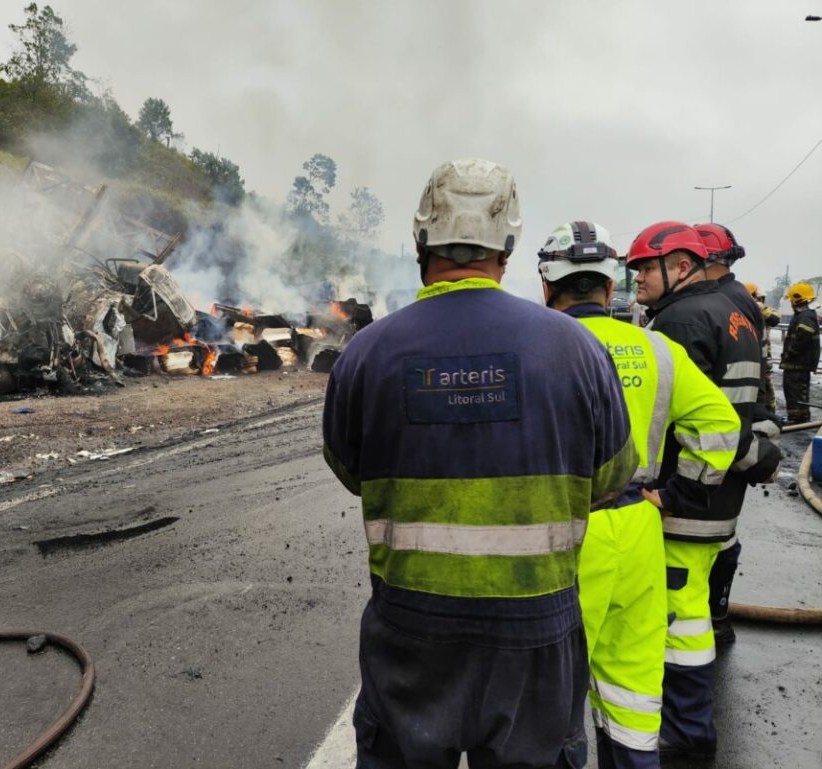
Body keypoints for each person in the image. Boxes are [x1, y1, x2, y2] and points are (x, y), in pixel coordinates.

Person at [322, 159, 638, 769]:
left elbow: (350, 468)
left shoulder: (367, 352)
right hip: (536, 630)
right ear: (509, 248)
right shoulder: (577, 348)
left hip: (411, 631)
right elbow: (609, 479)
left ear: (420, 243)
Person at [538, 221, 740, 769]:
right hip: (639, 529)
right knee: (631, 692)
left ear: (546, 285)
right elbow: (721, 424)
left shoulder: (534, 348)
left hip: (563, 535)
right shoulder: (659, 348)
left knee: (549, 696)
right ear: (610, 289)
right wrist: (675, 494)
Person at [626, 221, 779, 759]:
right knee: (691, 616)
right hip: (720, 500)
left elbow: (695, 423)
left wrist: (674, 497)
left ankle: (683, 735)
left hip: (687, 502)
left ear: (682, 267)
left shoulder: (682, 321)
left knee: (673, 623)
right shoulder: (736, 310)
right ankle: (690, 733)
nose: (637, 276)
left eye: (647, 266)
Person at [692, 224, 781, 646]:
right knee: (723, 534)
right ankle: (717, 618)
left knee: (715, 537)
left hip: (725, 437)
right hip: (741, 427)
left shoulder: (720, 303)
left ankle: (713, 620)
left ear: (704, 261)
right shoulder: (737, 299)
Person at [780, 282, 821, 424]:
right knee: (794, 390)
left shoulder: (805, 316)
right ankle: (797, 416)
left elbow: (802, 338)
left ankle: (798, 418)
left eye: (791, 300)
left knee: (795, 391)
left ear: (797, 299)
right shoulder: (805, 314)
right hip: (797, 363)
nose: (790, 302)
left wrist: (789, 353)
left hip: (798, 363)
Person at [744, 281, 781, 413]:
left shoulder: (767, 310)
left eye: (759, 299)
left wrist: (760, 308)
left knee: (766, 385)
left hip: (765, 355)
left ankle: (770, 411)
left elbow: (775, 320)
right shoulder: (740, 310)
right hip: (748, 354)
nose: (758, 300)